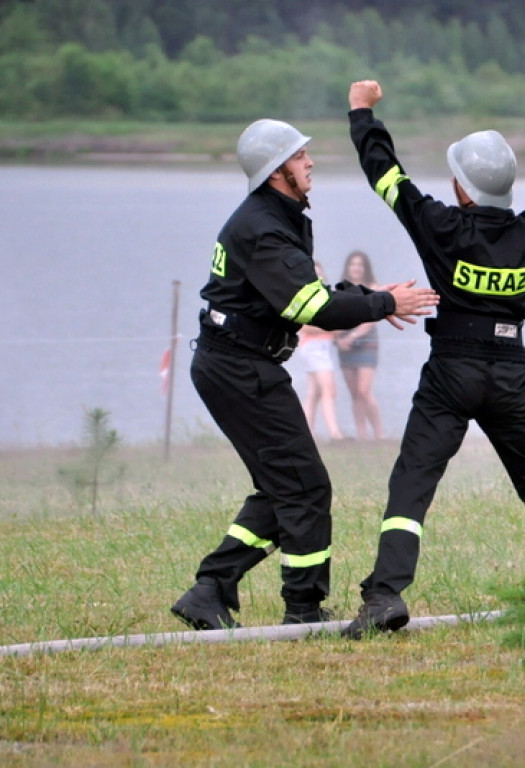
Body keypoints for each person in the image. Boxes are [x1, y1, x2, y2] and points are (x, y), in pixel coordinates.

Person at [339, 78, 525, 638]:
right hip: (510, 370)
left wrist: (362, 113)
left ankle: (385, 595)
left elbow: (388, 178)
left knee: (413, 481)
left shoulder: (441, 225)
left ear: (463, 190)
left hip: (451, 369)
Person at [171, 118, 438, 630]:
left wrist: (371, 297)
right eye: (298, 157)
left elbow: (308, 293)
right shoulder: (263, 227)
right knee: (305, 486)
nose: (310, 162)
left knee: (284, 486)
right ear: (277, 172)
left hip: (241, 364)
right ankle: (303, 609)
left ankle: (210, 589)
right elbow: (311, 307)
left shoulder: (280, 214)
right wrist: (383, 303)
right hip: (238, 369)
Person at [335, 251, 385, 440]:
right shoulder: (341, 290)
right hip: (345, 345)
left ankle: (379, 433)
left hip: (366, 343)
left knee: (364, 390)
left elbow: (372, 319)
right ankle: (361, 435)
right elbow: (335, 316)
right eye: (353, 264)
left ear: (365, 268)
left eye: (360, 264)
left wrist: (354, 336)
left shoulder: (373, 288)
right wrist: (339, 339)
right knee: (355, 393)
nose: (356, 268)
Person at [297, 261, 347, 442]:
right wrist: (330, 329)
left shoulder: (325, 296)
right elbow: (304, 327)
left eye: (320, 273)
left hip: (323, 348)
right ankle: (334, 433)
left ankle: (306, 432)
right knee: (329, 390)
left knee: (314, 393)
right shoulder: (304, 297)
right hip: (314, 348)